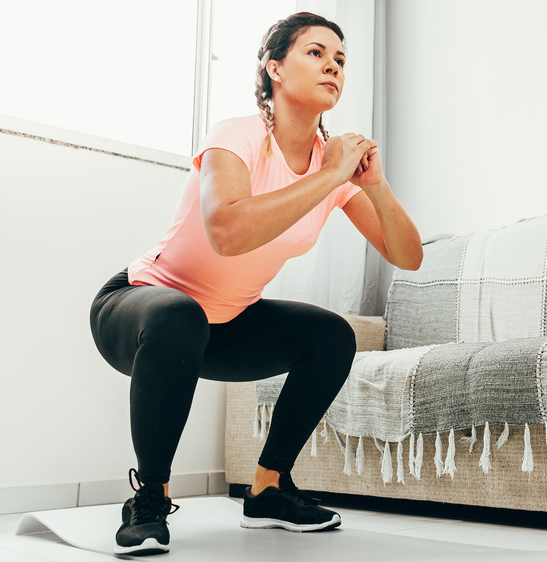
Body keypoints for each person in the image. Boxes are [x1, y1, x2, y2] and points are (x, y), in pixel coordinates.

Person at [89, 11, 422, 556]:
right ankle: (149, 498)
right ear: (275, 68)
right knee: (180, 315)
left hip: (222, 325)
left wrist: (375, 186)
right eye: (315, 53)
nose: (333, 66)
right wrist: (331, 176)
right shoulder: (238, 135)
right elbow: (226, 231)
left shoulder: (328, 166)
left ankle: (268, 490)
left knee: (332, 335)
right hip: (137, 309)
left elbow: (406, 255)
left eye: (340, 59)